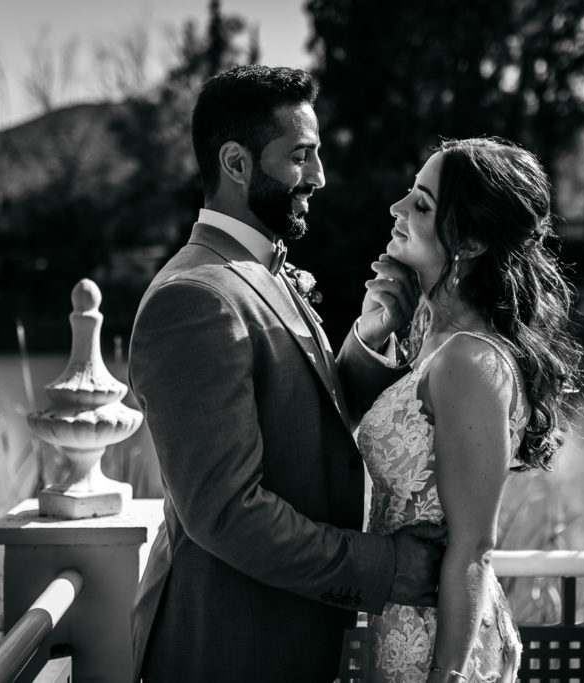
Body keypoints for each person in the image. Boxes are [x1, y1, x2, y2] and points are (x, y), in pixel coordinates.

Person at [128, 65, 443, 682]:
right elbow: (225, 512)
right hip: (228, 647)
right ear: (237, 163)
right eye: (301, 156)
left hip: (285, 638)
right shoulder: (195, 297)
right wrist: (388, 568)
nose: (320, 177)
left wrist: (369, 337)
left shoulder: (264, 269)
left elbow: (306, 418)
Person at [357, 137, 584, 682]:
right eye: (409, 195)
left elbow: (474, 547)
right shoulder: (428, 334)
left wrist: (446, 676)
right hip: (400, 620)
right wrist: (371, 330)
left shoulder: (468, 360)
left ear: (474, 241)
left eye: (422, 204)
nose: (397, 209)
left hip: (441, 644)